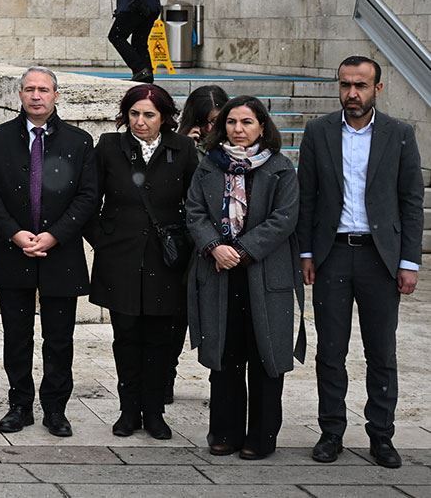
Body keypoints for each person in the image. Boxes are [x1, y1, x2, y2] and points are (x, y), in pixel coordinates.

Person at [299, 56, 423, 468]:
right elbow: (307, 195)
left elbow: (411, 201)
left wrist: (409, 262)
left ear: (377, 89)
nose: (352, 93)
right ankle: (331, 432)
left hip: (379, 258)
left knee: (381, 352)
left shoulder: (399, 134)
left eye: (361, 86)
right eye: (345, 85)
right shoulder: (318, 132)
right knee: (330, 351)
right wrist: (306, 253)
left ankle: (381, 436)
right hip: (332, 254)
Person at [0, 66, 99, 438]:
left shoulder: (79, 142)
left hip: (60, 253)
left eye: (43, 90)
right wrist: (15, 233)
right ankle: (19, 405)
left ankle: (55, 409)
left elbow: (88, 196)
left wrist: (54, 236)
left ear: (56, 95)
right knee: (17, 337)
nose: (36, 96)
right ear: (19, 94)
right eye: (29, 89)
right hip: (13, 250)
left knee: (59, 338)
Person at [185, 96, 304, 460]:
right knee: (225, 354)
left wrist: (243, 250)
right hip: (220, 274)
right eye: (232, 122)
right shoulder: (209, 166)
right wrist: (214, 247)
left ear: (262, 127)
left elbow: (284, 218)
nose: (238, 129)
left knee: (266, 355)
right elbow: (194, 212)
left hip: (264, 274)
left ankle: (261, 436)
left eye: (247, 122)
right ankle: (225, 432)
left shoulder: (280, 168)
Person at [88, 83, 196, 440]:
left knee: (159, 339)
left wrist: (184, 245)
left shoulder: (182, 149)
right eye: (134, 113)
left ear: (164, 117)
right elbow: (89, 199)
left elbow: (196, 203)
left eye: (149, 114)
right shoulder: (109, 146)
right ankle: (128, 410)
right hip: (120, 260)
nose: (140, 121)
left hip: (165, 261)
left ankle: (154, 411)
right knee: (126, 337)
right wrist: (104, 241)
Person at [179, 84, 229, 151]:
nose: (209, 129)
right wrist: (185, 149)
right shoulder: (185, 143)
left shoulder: (236, 140)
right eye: (202, 122)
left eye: (215, 121)